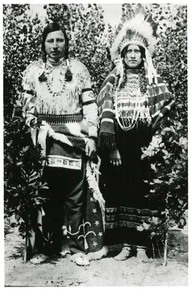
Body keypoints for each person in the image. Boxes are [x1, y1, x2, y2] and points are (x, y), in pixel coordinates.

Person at [21, 22, 105, 266]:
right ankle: (47, 248)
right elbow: (26, 106)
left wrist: (91, 136)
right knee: (46, 194)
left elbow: (90, 106)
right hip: (44, 139)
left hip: (74, 138)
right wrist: (34, 127)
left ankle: (78, 248)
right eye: (50, 41)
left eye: (59, 40)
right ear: (43, 43)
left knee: (75, 195)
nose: (55, 46)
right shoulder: (33, 70)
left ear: (67, 43)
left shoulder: (78, 69)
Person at [97, 5, 175, 261]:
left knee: (142, 191)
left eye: (136, 51)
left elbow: (166, 109)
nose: (132, 55)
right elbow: (104, 115)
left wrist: (156, 143)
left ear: (144, 55)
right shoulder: (112, 82)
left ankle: (142, 246)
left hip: (145, 145)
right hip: (119, 146)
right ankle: (125, 245)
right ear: (121, 55)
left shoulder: (154, 81)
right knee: (119, 190)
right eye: (128, 51)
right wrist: (112, 148)